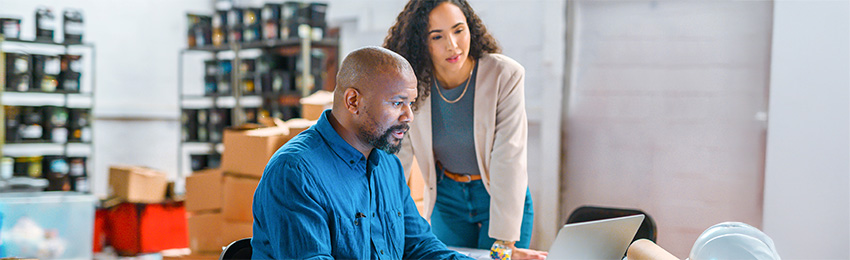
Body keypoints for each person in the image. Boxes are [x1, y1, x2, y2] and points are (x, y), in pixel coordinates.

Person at [251, 46, 472, 259]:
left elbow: (420, 246)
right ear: (353, 101)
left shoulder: (388, 164)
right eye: (397, 103)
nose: (408, 116)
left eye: (410, 104)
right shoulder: (295, 172)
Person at [384, 0, 547, 259]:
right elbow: (396, 159)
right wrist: (385, 225)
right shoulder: (413, 85)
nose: (453, 45)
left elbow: (509, 158)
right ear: (420, 42)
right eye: (437, 36)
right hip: (447, 199)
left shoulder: (505, 75)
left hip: (498, 194)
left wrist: (504, 246)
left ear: (470, 28)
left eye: (459, 30)